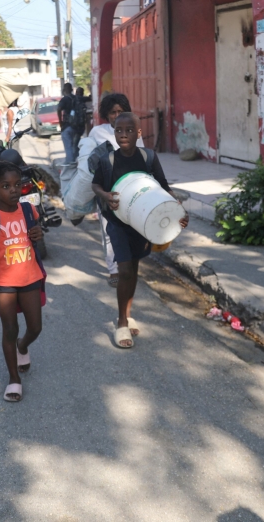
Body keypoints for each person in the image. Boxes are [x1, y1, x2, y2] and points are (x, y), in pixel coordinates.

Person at [91, 112, 188, 349]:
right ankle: (122, 322)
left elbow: (164, 188)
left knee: (133, 269)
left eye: (129, 130)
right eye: (119, 130)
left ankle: (128, 312)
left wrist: (177, 211)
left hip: (143, 223)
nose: (123, 135)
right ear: (114, 132)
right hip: (118, 222)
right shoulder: (108, 160)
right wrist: (106, 195)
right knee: (124, 270)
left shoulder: (148, 157)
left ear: (139, 133)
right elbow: (95, 184)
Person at [0, 161, 45, 403]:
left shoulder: (29, 211)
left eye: (17, 185)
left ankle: (22, 346)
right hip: (3, 282)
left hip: (29, 277)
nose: (13, 190)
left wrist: (38, 233)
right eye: (6, 186)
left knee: (35, 327)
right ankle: (14, 378)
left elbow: (36, 234)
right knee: (9, 329)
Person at [86, 93, 144, 287]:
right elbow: (89, 161)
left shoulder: (134, 130)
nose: (116, 115)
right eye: (113, 112)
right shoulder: (97, 133)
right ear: (106, 114)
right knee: (109, 231)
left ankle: (128, 265)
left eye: (120, 111)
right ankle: (113, 270)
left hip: (132, 190)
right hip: (107, 190)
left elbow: (143, 157)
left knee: (131, 230)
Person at [57, 83, 78, 164]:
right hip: (77, 127)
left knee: (68, 146)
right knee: (75, 146)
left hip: (67, 126)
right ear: (72, 89)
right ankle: (75, 162)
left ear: (64, 90)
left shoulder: (64, 99)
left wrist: (60, 122)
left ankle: (70, 164)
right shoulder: (76, 98)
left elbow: (59, 109)